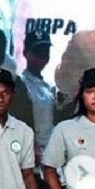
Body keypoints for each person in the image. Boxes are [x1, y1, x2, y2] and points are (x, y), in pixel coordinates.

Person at [20, 27, 56, 162]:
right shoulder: (21, 84)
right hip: (32, 155)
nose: (42, 57)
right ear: (25, 53)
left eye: (45, 52)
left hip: (50, 152)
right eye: (37, 52)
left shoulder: (49, 86)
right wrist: (33, 148)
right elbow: (20, 122)